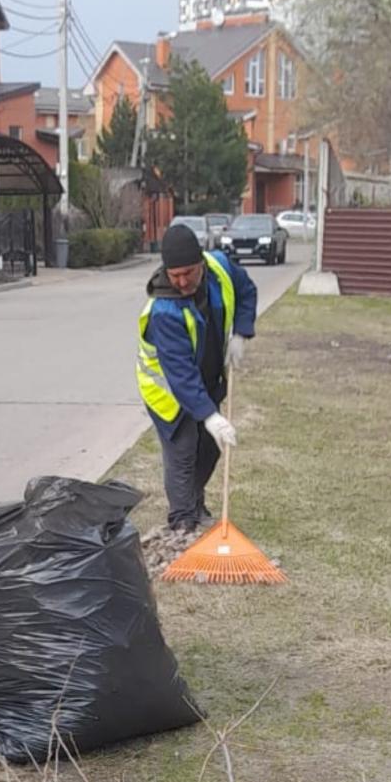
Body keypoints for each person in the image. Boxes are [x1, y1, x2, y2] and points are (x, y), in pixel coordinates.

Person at [136, 221, 257, 542]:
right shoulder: (164, 310)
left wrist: (241, 333)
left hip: (206, 377)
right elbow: (180, 375)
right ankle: (182, 523)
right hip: (167, 391)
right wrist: (210, 416)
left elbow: (246, 291)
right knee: (184, 450)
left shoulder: (220, 268)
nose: (182, 281)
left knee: (209, 449)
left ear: (202, 263)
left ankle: (194, 504)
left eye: (188, 272)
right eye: (174, 275)